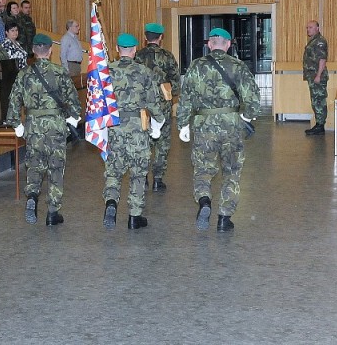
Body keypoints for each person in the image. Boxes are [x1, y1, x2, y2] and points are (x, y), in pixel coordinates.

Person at [177, 27, 260, 233]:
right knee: (232, 171)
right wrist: (245, 117)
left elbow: (185, 98)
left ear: (209, 44)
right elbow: (253, 99)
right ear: (228, 44)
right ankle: (224, 218)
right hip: (231, 125)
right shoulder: (238, 66)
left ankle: (204, 201)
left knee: (203, 169)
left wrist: (183, 124)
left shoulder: (196, 66)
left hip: (203, 125)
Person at [6, 33, 81, 226]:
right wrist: (74, 118)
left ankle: (32, 196)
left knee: (34, 164)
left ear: (33, 50)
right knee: (56, 167)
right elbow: (73, 100)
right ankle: (53, 212)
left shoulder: (24, 74)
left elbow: (13, 101)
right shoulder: (59, 72)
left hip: (33, 126)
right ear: (50, 51)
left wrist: (17, 125)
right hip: (56, 125)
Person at [102, 33, 165, 230]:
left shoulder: (106, 71)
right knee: (138, 172)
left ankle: (111, 202)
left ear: (117, 49)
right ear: (135, 50)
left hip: (114, 126)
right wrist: (160, 121)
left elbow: (98, 101)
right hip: (137, 127)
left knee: (114, 170)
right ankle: (134, 216)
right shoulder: (144, 71)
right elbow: (153, 102)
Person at [135, 22, 181, 191]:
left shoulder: (137, 56)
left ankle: (143, 178)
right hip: (162, 107)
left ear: (145, 37)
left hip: (143, 107)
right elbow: (176, 83)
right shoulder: (168, 56)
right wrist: (167, 95)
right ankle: (158, 179)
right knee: (162, 143)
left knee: (143, 142)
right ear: (161, 38)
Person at [303, 20, 328, 135]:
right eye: (307, 27)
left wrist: (318, 75)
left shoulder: (320, 41)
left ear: (317, 28)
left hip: (317, 77)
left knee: (319, 101)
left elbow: (322, 59)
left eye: (311, 27)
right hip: (312, 76)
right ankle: (319, 124)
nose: (308, 29)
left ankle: (320, 125)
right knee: (316, 101)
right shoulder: (313, 41)